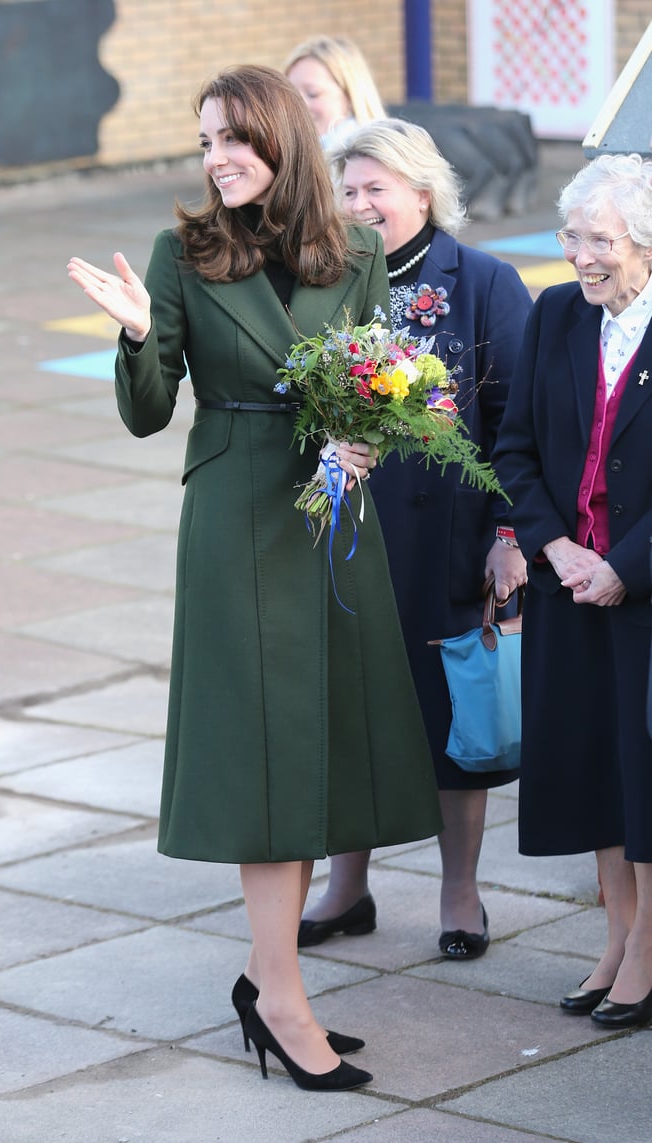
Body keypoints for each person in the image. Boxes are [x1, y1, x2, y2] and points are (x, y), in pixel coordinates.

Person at [68, 66, 442, 1090]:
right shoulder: (182, 252)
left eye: (233, 139)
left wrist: (369, 437)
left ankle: (265, 978)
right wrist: (141, 332)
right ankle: (280, 997)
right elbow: (151, 411)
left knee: (314, 752)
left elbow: (373, 379)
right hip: (237, 518)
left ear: (283, 143)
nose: (216, 159)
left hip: (330, 520)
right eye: (203, 143)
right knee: (265, 759)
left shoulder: (359, 250)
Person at [298, 119, 530, 957]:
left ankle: (460, 893)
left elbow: (517, 425)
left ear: (422, 193)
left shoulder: (484, 283)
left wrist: (511, 532)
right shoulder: (319, 280)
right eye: (349, 191)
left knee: (452, 724)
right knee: (349, 718)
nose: (361, 206)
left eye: (376, 190)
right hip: (351, 538)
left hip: (449, 542)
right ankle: (347, 885)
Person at [493, 151, 652, 1028]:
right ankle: (618, 939)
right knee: (594, 768)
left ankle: (651, 952)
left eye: (602, 238)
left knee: (645, 773)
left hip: (644, 594)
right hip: (567, 586)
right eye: (571, 235)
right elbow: (513, 445)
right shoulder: (556, 313)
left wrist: (624, 565)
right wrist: (554, 545)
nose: (580, 255)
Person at [284, 35, 384, 149]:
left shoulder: (369, 158)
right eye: (290, 94)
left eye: (313, 94)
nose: (297, 105)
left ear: (350, 97)